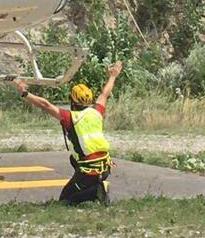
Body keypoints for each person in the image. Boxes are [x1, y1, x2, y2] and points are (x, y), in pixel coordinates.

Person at [13, 61, 123, 206]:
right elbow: (105, 93)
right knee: (73, 159)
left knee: (65, 199)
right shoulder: (96, 111)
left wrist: (25, 93)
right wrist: (113, 76)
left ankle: (95, 190)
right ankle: (94, 187)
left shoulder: (70, 118)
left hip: (88, 171)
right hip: (105, 167)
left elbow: (45, 105)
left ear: (72, 100)